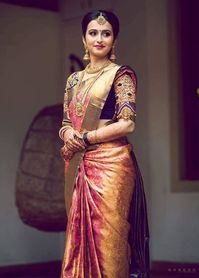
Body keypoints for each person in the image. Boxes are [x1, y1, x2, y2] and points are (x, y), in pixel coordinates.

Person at [59, 10, 150, 278]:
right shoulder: (73, 80)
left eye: (106, 33)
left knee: (108, 239)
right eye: (93, 33)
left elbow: (127, 124)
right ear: (84, 38)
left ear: (114, 39)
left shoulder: (121, 74)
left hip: (111, 164)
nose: (99, 38)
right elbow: (65, 123)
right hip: (78, 164)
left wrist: (86, 138)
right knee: (78, 239)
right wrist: (68, 136)